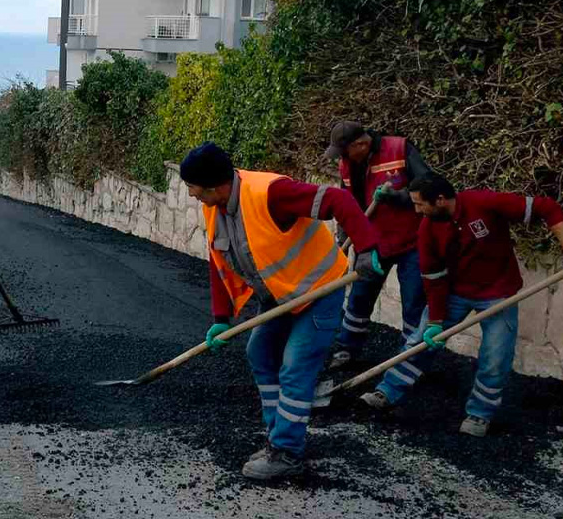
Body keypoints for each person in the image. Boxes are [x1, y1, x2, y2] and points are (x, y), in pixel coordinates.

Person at [181, 142, 383, 480]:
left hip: (319, 292)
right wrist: (221, 319)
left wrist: (367, 248)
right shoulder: (215, 207)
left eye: (193, 188)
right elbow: (219, 262)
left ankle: (287, 452)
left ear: (214, 186)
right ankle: (278, 437)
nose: (191, 195)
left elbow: (339, 200)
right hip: (279, 297)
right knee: (260, 353)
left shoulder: (271, 193)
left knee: (295, 367)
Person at [359, 174, 563, 437]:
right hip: (454, 292)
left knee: (495, 356)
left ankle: (480, 414)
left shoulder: (483, 203)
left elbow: (547, 207)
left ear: (441, 200)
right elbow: (433, 280)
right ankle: (387, 391)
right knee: (419, 341)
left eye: (420, 204)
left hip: (498, 293)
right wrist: (434, 322)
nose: (417, 210)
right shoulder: (427, 229)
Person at [324, 121, 433, 369]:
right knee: (360, 296)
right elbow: (345, 205)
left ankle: (409, 359)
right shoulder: (347, 165)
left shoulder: (400, 149)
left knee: (413, 302)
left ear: (361, 144)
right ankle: (347, 348)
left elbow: (429, 185)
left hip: (412, 242)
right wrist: (345, 238)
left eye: (343, 151)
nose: (340, 158)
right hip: (372, 243)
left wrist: (399, 197)